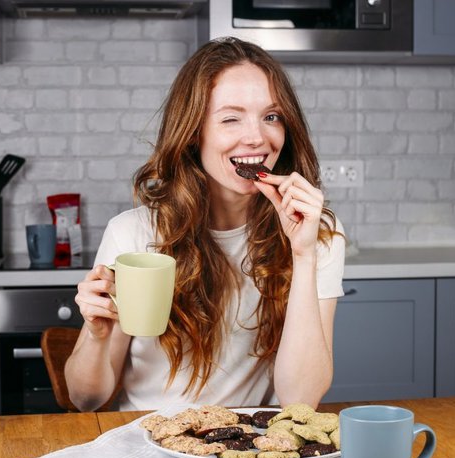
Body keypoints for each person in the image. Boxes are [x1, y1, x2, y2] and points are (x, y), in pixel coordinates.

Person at [66, 36, 346, 412]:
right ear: (194, 132)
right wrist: (97, 336)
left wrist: (304, 253)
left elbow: (301, 401)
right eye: (231, 118)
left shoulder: (317, 233)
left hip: (246, 447)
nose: (257, 137)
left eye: (271, 116)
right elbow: (86, 399)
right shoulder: (132, 234)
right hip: (146, 445)